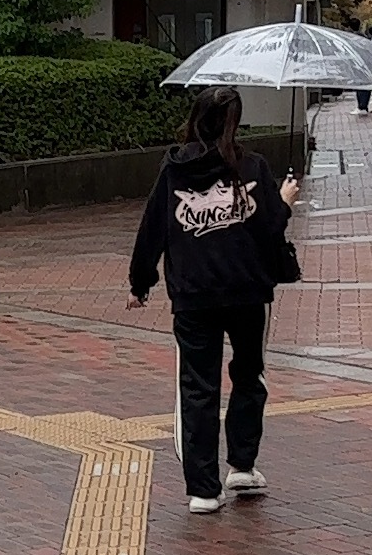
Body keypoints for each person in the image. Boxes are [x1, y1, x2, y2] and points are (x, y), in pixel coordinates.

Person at [126, 85, 300, 517]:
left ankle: (203, 489)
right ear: (234, 122)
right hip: (248, 292)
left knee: (197, 387)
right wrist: (283, 201)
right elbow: (270, 227)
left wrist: (141, 282)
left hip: (193, 295)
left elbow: (153, 228)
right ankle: (242, 465)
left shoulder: (174, 170)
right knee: (249, 375)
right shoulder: (252, 167)